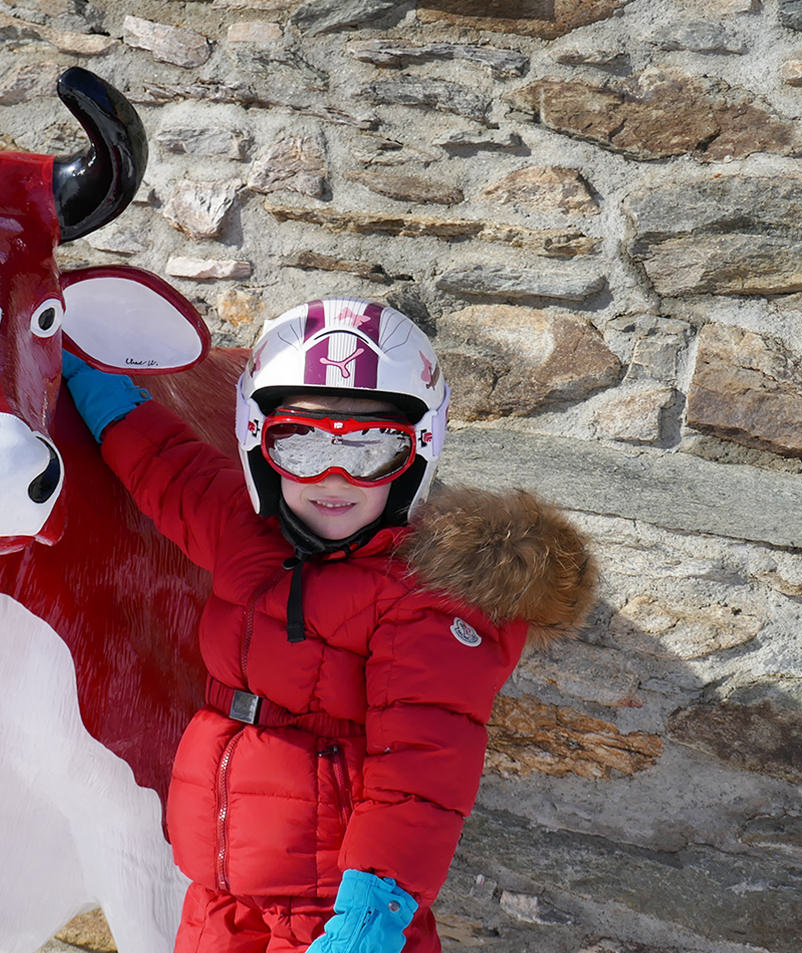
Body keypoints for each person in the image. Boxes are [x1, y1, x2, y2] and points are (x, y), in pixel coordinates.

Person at [61, 298, 594, 953]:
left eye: (370, 449)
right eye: (303, 443)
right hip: (219, 899)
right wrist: (84, 378)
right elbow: (165, 467)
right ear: (261, 443)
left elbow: (420, 775)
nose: (334, 476)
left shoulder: (422, 600)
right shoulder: (245, 532)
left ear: (417, 450)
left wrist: (372, 910)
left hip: (332, 915)